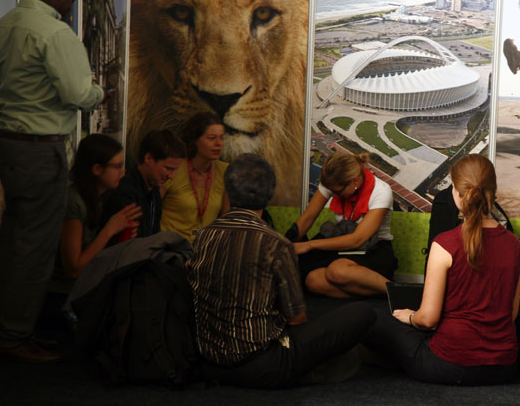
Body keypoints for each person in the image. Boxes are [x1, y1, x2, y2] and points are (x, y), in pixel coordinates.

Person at [0, 0, 104, 362]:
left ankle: (6, 326)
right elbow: (77, 93)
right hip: (40, 147)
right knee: (35, 249)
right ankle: (15, 336)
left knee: (13, 242)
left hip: (7, 144)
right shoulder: (55, 33)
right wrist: (98, 93)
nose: (70, 5)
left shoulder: (2, 26)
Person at [189, 154, 376, 388]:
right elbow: (296, 318)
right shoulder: (274, 243)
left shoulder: (204, 236)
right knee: (362, 313)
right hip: (263, 365)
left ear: (228, 191)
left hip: (209, 360)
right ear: (268, 196)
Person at [364, 154, 520, 385]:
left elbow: (428, 320)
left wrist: (409, 317)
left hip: (450, 364)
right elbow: (511, 314)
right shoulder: (515, 246)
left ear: (458, 194)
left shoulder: (445, 244)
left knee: (372, 318)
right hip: (504, 366)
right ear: (492, 192)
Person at [289, 151, 397, 297]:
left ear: (354, 181)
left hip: (373, 248)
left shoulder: (381, 191)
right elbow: (308, 218)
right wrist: (284, 243)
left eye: (336, 192)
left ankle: (396, 292)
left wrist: (309, 244)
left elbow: (357, 239)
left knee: (337, 271)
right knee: (312, 281)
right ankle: (375, 293)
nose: (332, 195)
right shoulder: (333, 183)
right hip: (342, 244)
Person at [57, 135, 142, 281]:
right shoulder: (74, 201)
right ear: (97, 169)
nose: (122, 172)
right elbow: (73, 269)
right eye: (116, 166)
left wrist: (122, 237)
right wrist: (110, 229)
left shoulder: (102, 198)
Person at [101, 129, 186, 243]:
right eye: (168, 168)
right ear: (149, 158)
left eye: (174, 170)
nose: (172, 176)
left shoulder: (154, 191)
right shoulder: (126, 192)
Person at [160, 112, 230, 242]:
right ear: (194, 140)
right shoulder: (174, 168)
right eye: (212, 138)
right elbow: (151, 210)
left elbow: (226, 219)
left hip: (206, 251)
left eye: (222, 137)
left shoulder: (225, 171)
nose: (219, 143)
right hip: (171, 250)